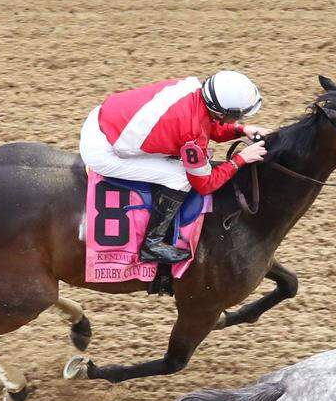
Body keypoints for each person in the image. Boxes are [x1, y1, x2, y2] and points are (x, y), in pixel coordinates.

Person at [79, 70, 270, 263]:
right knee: (179, 176)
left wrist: (241, 130)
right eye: (239, 118)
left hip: (101, 119)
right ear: (221, 112)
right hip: (104, 152)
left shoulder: (194, 88)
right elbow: (204, 184)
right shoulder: (192, 134)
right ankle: (152, 244)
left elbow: (208, 123)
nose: (240, 120)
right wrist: (240, 159)